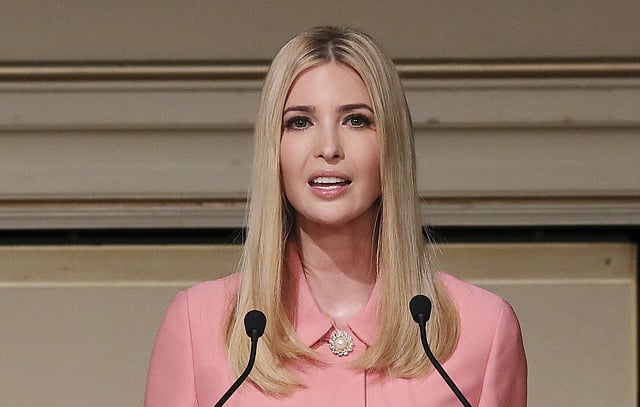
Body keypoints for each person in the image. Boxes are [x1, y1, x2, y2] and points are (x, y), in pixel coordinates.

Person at [145, 26, 527, 406]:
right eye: (300, 122)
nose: (328, 148)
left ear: (390, 143)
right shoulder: (197, 325)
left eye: (356, 120)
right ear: (274, 148)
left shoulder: (485, 329)